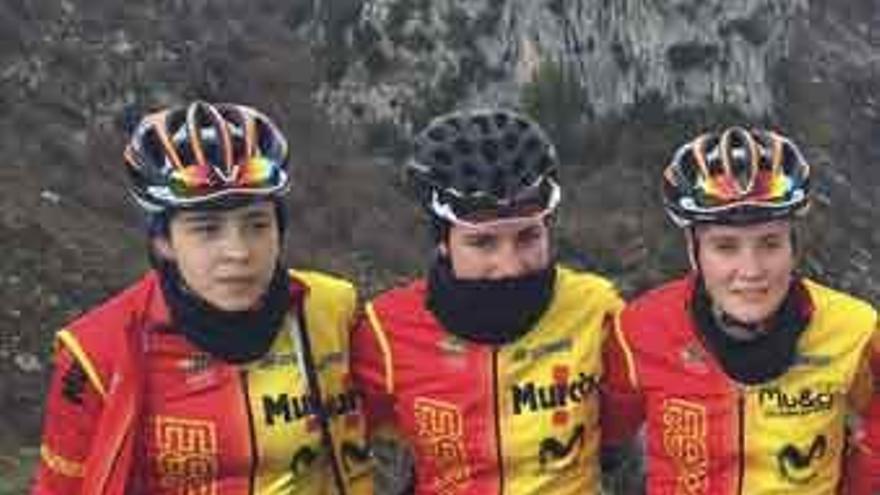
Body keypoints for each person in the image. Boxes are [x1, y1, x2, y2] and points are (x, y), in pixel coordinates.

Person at [32, 101, 372, 494]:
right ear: (163, 242)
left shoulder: (331, 308)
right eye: (207, 230)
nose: (239, 251)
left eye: (257, 225)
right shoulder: (96, 354)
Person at [351, 108, 624, 494]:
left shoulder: (598, 311)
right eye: (482, 243)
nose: (510, 266)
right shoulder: (385, 330)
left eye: (528, 237)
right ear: (442, 242)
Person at [602, 126, 879, 494]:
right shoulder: (639, 330)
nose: (750, 271)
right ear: (693, 250)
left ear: (793, 246)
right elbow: (598, 434)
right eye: (726, 247)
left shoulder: (853, 330)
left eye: (770, 243)